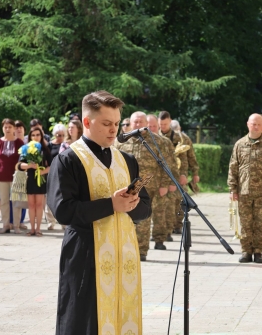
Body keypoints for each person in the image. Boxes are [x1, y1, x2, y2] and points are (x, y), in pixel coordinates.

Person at [47, 90, 151, 334]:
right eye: (106, 123)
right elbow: (62, 210)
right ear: (86, 122)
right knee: (83, 321)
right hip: (86, 256)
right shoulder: (68, 160)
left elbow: (145, 208)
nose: (113, 129)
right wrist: (110, 205)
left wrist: (131, 204)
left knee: (122, 316)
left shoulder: (127, 160)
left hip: (123, 257)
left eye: (116, 123)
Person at [115, 111, 172, 259]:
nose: (138, 125)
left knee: (145, 220)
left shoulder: (158, 141)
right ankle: (125, 249)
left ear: (146, 124)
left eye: (141, 122)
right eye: (135, 122)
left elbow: (167, 164)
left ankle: (141, 251)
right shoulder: (121, 142)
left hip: (151, 186)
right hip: (127, 187)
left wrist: (165, 184)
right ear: (130, 124)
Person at [228, 113, 262, 263]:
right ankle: (245, 251)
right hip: (244, 191)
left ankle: (258, 251)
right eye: (253, 124)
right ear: (248, 124)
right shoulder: (240, 144)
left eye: (258, 124)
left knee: (261, 223)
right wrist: (233, 188)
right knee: (245, 222)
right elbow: (233, 167)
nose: (255, 127)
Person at [0, 118, 25, 234]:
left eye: (10, 127)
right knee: (3, 201)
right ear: (3, 128)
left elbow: (23, 159)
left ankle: (16, 226)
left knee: (16, 202)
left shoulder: (20, 143)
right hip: (1, 178)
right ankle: (5, 225)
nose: (8, 129)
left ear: (14, 128)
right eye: (5, 127)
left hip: (16, 178)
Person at [147, 114, 178, 242]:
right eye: (150, 126)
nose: (152, 128)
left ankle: (160, 237)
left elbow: (172, 163)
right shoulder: (139, 141)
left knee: (161, 212)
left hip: (160, 183)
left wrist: (170, 182)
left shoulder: (165, 142)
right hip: (143, 184)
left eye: (154, 126)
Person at [158, 111, 188, 234]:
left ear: (170, 121)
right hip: (161, 175)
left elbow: (186, 158)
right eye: (161, 124)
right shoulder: (155, 137)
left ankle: (178, 225)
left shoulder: (180, 138)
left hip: (177, 172)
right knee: (164, 203)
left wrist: (184, 174)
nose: (163, 127)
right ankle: (165, 227)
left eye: (165, 124)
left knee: (179, 201)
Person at [18, 127, 52, 236]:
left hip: (40, 179)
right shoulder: (26, 149)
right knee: (31, 205)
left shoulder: (45, 149)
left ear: (41, 136)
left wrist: (43, 172)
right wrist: (29, 165)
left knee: (39, 204)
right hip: (29, 179)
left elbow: (51, 166)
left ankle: (38, 229)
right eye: (33, 135)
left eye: (38, 135)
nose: (35, 137)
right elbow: (19, 165)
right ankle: (32, 228)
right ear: (30, 137)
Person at [45, 123, 66, 230]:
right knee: (50, 198)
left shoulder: (66, 145)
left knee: (63, 199)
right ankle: (50, 221)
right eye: (58, 135)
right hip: (51, 174)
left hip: (63, 175)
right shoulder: (49, 145)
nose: (60, 137)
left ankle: (63, 222)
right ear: (54, 134)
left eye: (62, 135)